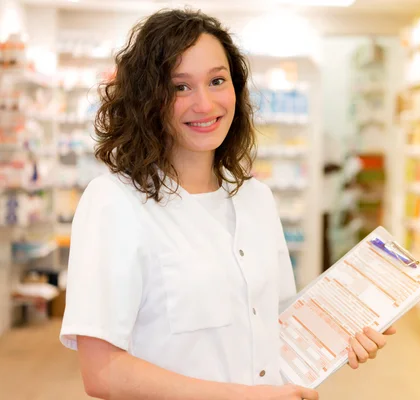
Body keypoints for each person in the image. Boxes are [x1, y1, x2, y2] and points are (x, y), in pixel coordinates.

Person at [59, 8, 396, 400]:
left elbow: (274, 324)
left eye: (217, 81)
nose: (205, 104)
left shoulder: (256, 198)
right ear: (147, 99)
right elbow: (103, 373)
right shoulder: (114, 202)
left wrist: (340, 330)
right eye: (180, 87)